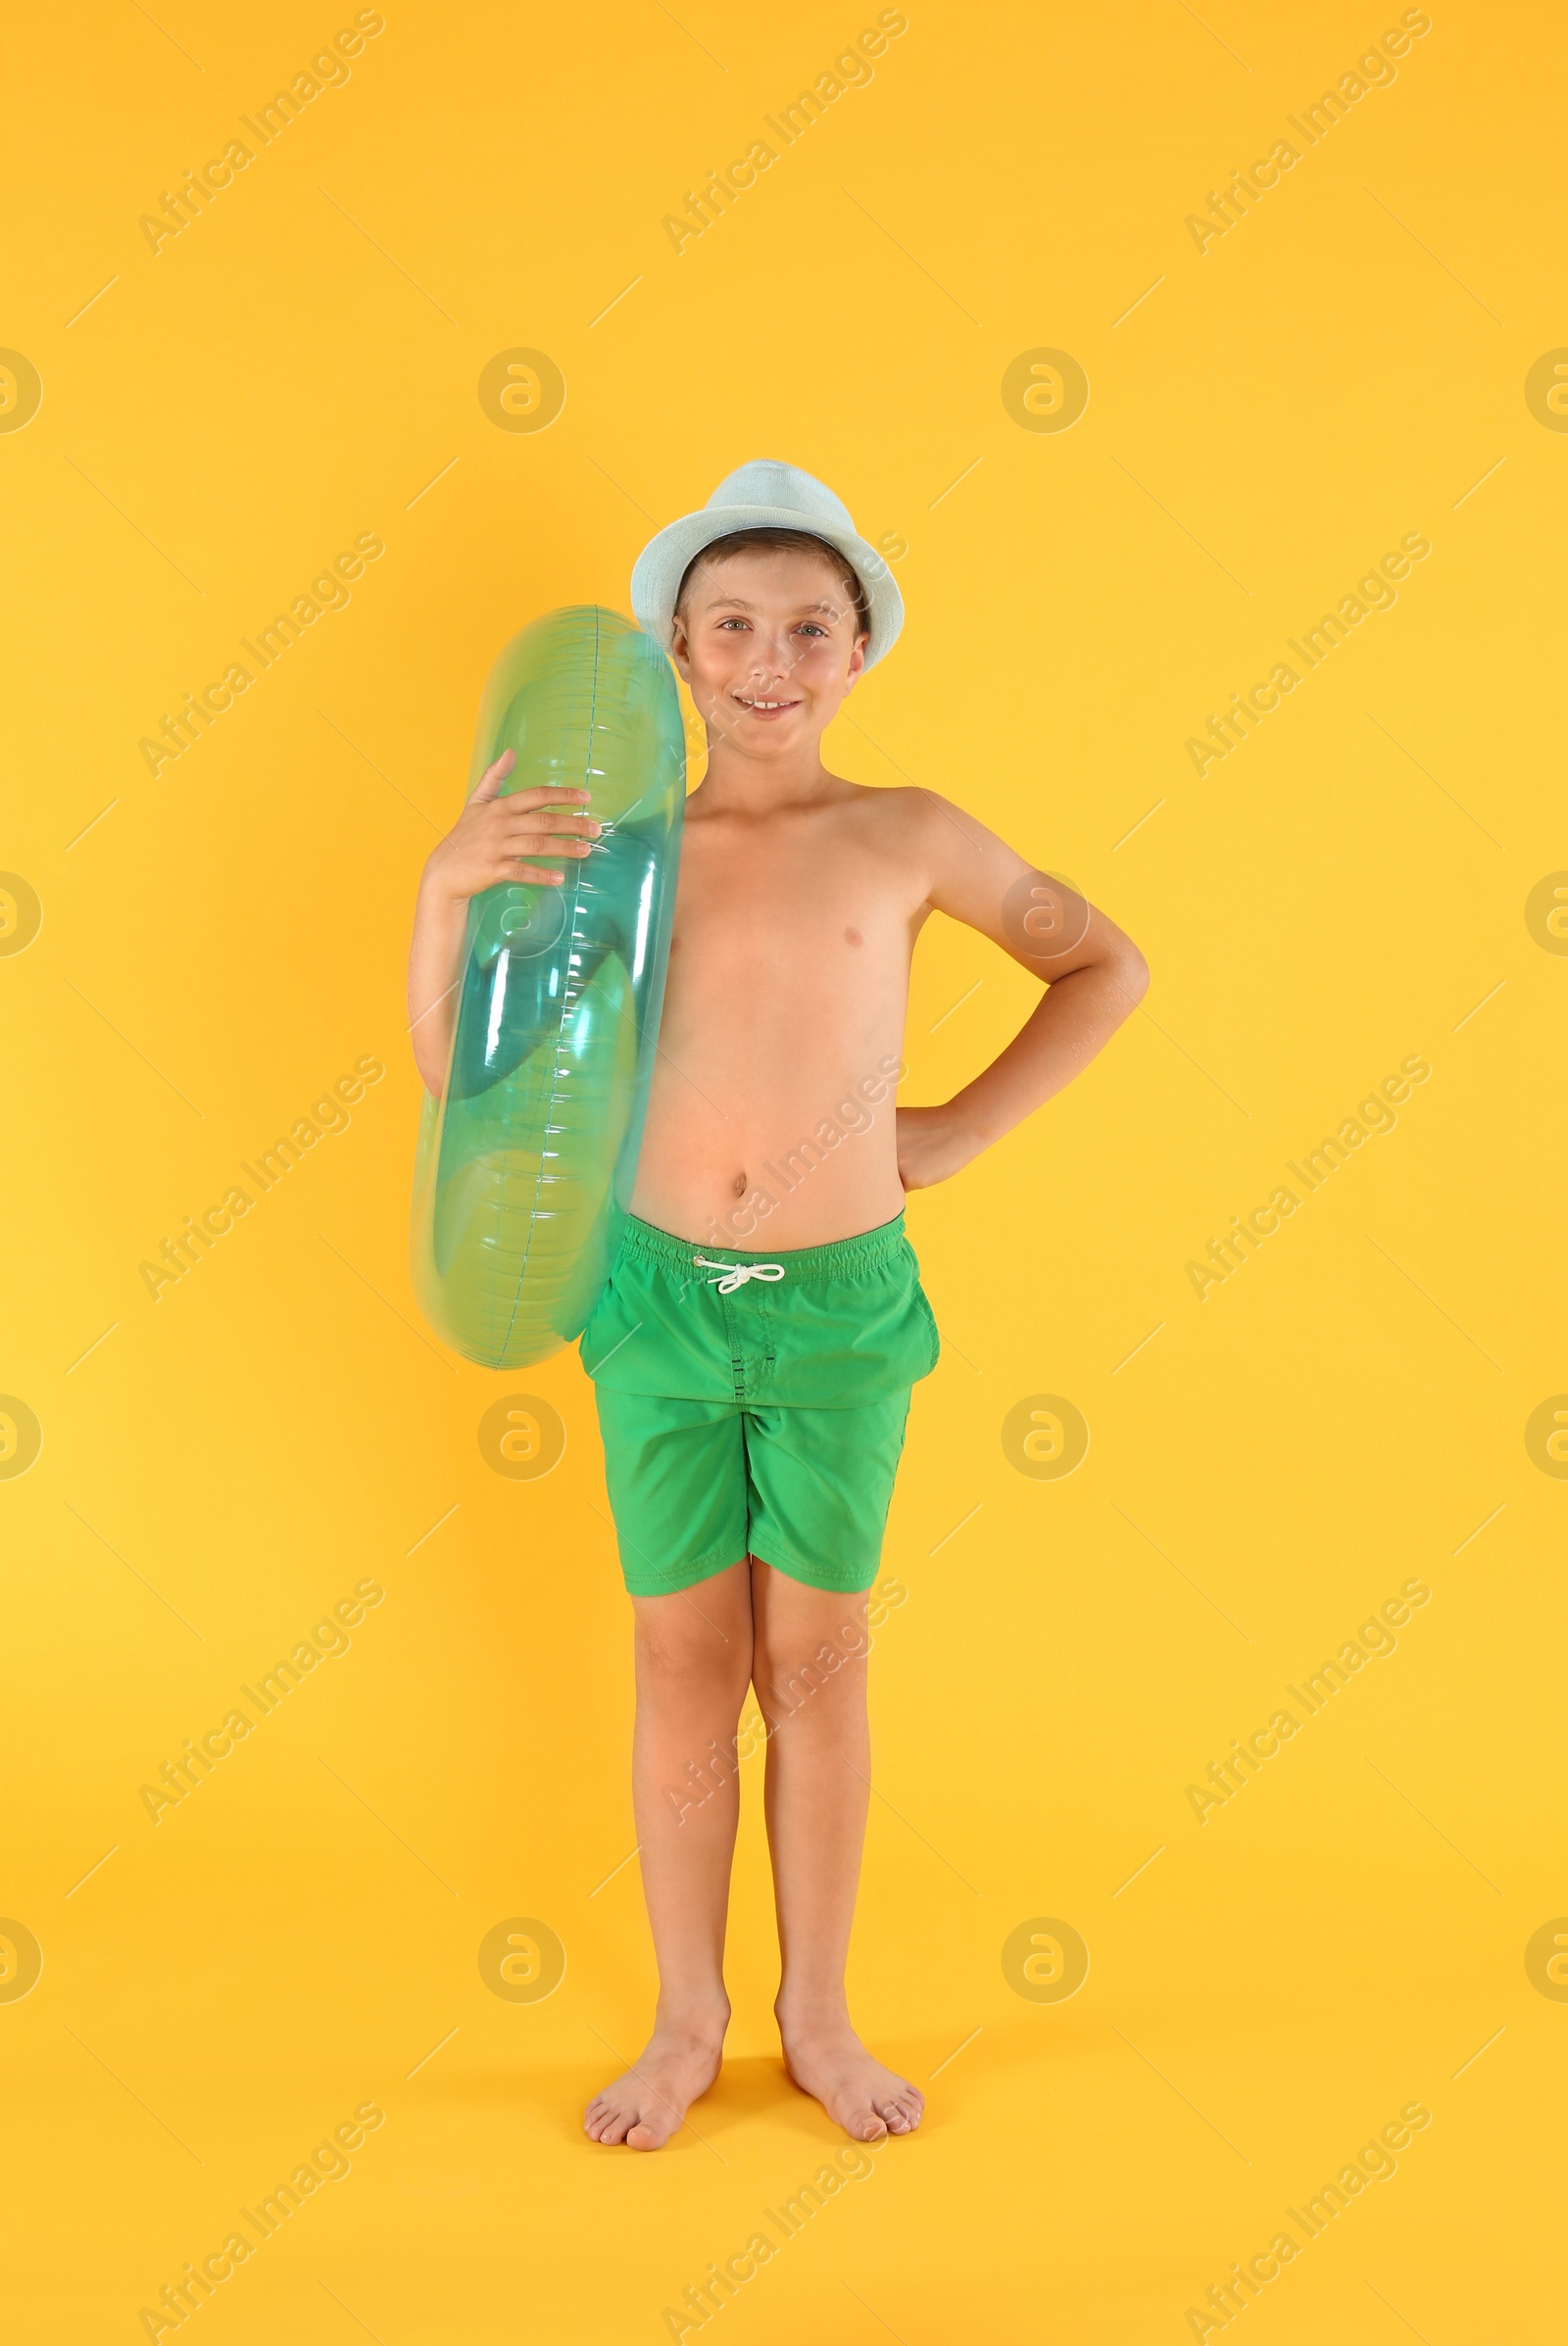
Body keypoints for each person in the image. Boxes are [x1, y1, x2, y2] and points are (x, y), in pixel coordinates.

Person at [406, 461, 1149, 2151]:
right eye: (733, 622)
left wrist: (958, 1125)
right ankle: (687, 2022)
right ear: (678, 642)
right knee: (681, 1658)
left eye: (810, 627)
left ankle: (819, 2015)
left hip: (835, 1307)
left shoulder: (907, 834)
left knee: (812, 1660)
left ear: (859, 649)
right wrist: (448, 889)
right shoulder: (617, 863)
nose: (770, 657)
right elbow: (473, 1074)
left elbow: (1107, 963)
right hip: (654, 1300)